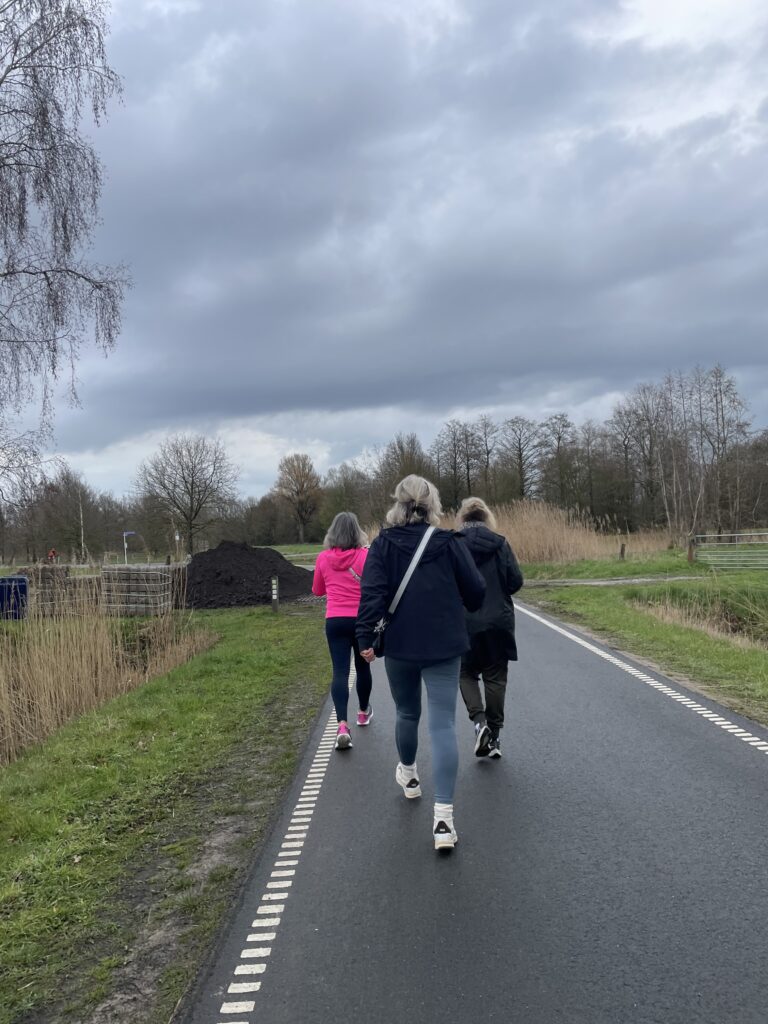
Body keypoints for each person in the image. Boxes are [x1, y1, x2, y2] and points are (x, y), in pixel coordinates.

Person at [356, 475, 485, 851]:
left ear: (397, 504)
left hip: (400, 645)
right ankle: (443, 820)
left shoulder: (382, 544)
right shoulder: (449, 543)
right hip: (443, 644)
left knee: (406, 712)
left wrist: (365, 639)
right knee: (443, 724)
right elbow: (476, 591)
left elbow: (372, 594)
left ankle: (410, 776)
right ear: (433, 506)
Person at [455, 497, 523, 760]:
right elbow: (515, 582)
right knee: (495, 677)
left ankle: (479, 722)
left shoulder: (455, 544)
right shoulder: (501, 544)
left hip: (465, 621)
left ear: (463, 518)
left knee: (466, 672)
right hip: (498, 620)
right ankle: (494, 737)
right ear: (486, 518)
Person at [312, 511, 373, 751]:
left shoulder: (323, 558)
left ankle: (342, 726)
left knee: (340, 672)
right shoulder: (365, 556)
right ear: (357, 532)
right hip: (361, 620)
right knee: (363, 667)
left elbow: (317, 590)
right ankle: (363, 712)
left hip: (335, 620)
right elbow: (373, 587)